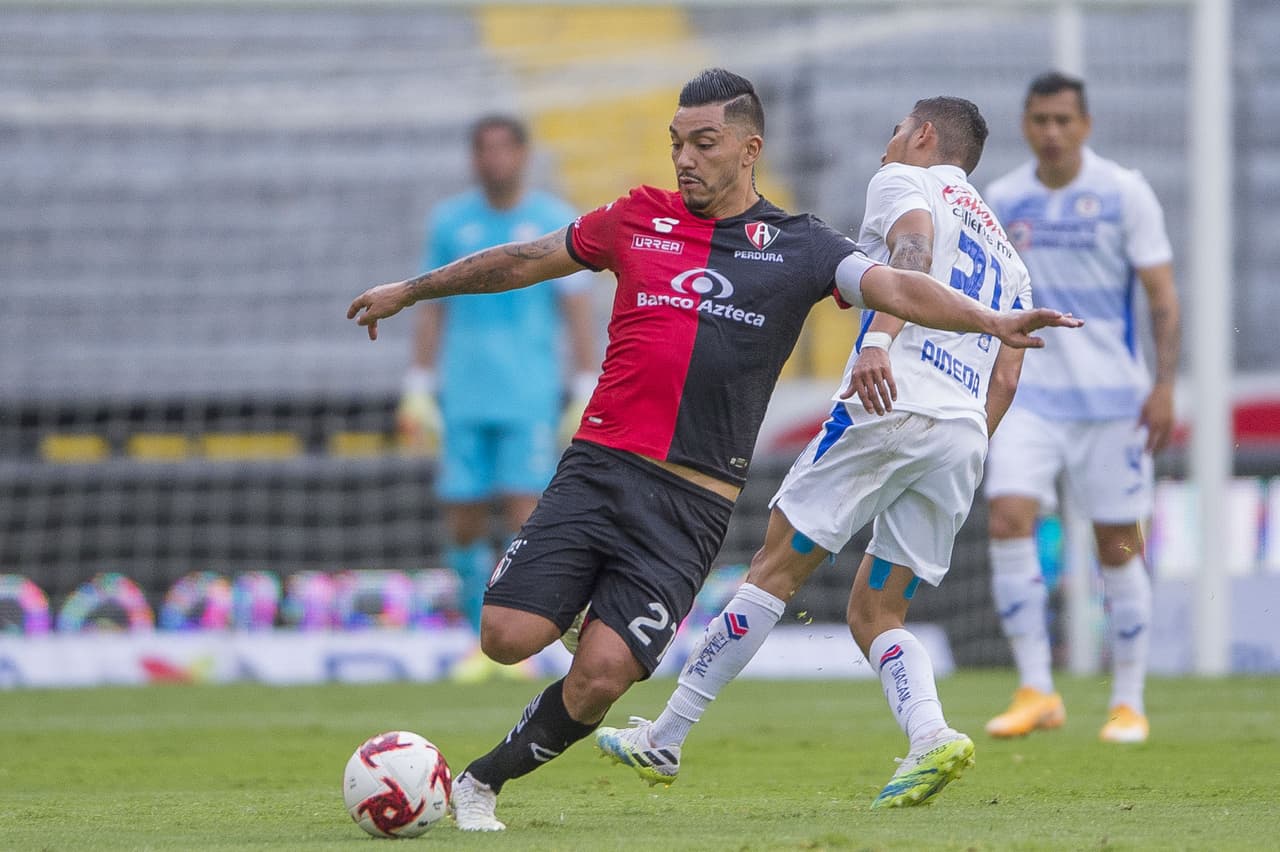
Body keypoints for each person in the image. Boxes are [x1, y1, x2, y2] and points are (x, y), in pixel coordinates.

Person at [348, 69, 1078, 832]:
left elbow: (900, 286)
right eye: (676, 144)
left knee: (599, 680)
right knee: (504, 637)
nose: (685, 159)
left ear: (748, 148)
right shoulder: (635, 217)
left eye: (704, 143)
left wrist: (988, 323)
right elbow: (526, 259)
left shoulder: (801, 246)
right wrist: (414, 288)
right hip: (599, 468)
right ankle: (590, 620)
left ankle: (480, 782)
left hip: (693, 503)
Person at [595, 96, 1038, 809]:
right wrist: (967, 447)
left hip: (889, 403)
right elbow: (1008, 373)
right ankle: (931, 736)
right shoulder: (1009, 259)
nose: (886, 143)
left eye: (896, 129)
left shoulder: (906, 180)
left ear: (923, 136)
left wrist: (878, 342)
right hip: (962, 432)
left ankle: (667, 735)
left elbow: (911, 252)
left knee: (774, 569)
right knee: (876, 613)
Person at [981, 71, 1180, 745]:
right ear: (1025, 125)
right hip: (1030, 397)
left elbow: (1161, 296)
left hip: (1112, 404)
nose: (1053, 132)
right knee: (1008, 518)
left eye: (1064, 120)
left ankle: (1128, 700)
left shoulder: (1124, 192)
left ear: (1085, 125)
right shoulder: (1004, 198)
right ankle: (1037, 687)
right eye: (1040, 119)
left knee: (1117, 545)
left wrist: (1163, 387)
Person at [397, 114, 598, 682]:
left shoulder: (554, 219)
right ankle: (473, 637)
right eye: (484, 149)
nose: (495, 160)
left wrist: (584, 380)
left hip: (528, 393)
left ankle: (519, 640)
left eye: (504, 149)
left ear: (523, 154)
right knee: (461, 518)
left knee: (524, 515)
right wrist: (418, 382)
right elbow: (432, 304)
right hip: (462, 392)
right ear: (474, 157)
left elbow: (576, 306)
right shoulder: (450, 222)